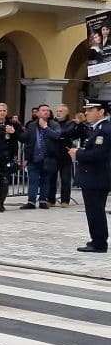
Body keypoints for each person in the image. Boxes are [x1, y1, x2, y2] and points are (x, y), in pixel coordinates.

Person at [69, 99, 111, 253]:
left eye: (90, 109)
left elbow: (98, 155)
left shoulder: (104, 130)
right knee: (93, 210)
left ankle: (99, 242)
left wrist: (78, 153)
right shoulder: (97, 128)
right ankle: (97, 239)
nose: (86, 112)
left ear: (101, 112)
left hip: (97, 177)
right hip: (93, 177)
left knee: (95, 211)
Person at [19, 104, 61, 210]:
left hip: (48, 157)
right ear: (38, 113)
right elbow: (27, 140)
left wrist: (46, 127)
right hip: (34, 157)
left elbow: (57, 136)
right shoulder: (32, 125)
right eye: (43, 110)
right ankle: (31, 201)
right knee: (33, 180)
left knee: (46, 180)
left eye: (48, 110)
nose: (46, 112)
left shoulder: (54, 124)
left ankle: (43, 200)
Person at [48, 104, 77, 207]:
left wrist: (57, 134)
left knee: (65, 179)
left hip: (65, 155)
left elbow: (67, 132)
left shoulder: (71, 123)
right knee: (51, 178)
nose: (58, 113)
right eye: (57, 111)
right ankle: (50, 200)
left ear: (66, 113)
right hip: (53, 154)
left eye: (61, 111)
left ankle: (65, 200)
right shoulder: (52, 123)